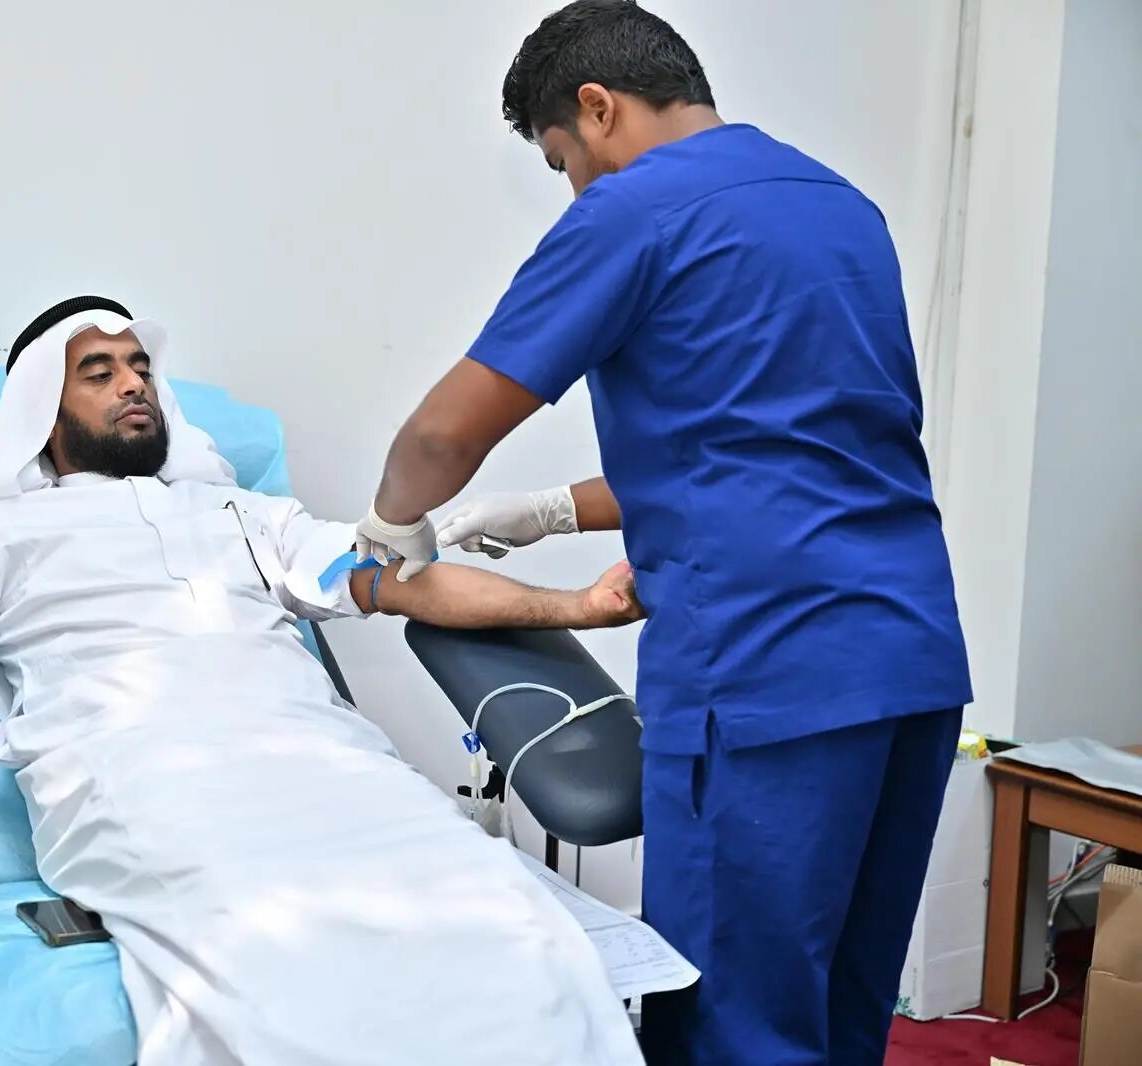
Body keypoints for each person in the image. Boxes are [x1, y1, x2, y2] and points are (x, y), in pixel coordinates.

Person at [0, 295, 651, 1066]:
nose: (133, 383)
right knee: (281, 957)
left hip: (324, 764)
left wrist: (574, 606)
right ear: (42, 412)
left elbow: (401, 579)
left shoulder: (245, 516)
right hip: (140, 777)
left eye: (140, 368)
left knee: (508, 919)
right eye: (99, 373)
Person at [352, 3, 974, 1063]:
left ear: (597, 107)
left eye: (562, 161)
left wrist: (388, 523)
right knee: (841, 1007)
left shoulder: (632, 211)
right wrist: (552, 510)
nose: (573, 187)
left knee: (736, 1023)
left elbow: (442, 435)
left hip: (767, 676)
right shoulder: (842, 207)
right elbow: (774, 444)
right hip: (911, 664)